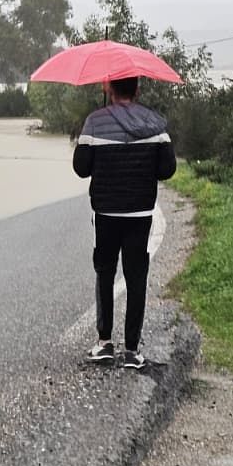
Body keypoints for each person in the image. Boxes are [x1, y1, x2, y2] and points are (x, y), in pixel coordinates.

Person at [71, 75, 176, 370]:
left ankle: (104, 344)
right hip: (140, 213)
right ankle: (132, 350)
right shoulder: (156, 124)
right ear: (138, 90)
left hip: (105, 213)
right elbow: (167, 169)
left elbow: (81, 168)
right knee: (136, 277)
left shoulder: (94, 122)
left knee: (105, 273)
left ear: (109, 88)